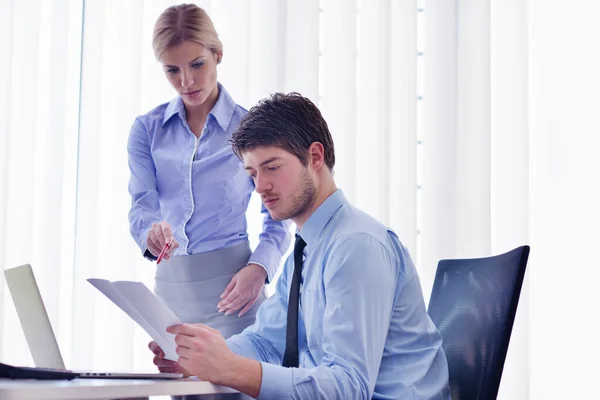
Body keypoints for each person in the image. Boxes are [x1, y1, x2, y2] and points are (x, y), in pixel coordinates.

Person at [150, 93, 451, 399]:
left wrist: (230, 369)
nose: (259, 187)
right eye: (253, 174)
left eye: (272, 167)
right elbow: (266, 342)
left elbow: (348, 387)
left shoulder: (356, 246)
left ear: (315, 157)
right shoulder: (305, 250)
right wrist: (200, 356)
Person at [127, 3, 291, 340]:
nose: (186, 81)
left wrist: (259, 269)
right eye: (172, 70)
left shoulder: (251, 128)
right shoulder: (147, 130)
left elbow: (278, 215)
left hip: (235, 291)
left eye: (196, 64)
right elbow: (141, 205)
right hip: (169, 296)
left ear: (217, 54)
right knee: (178, 390)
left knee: (238, 390)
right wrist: (150, 232)